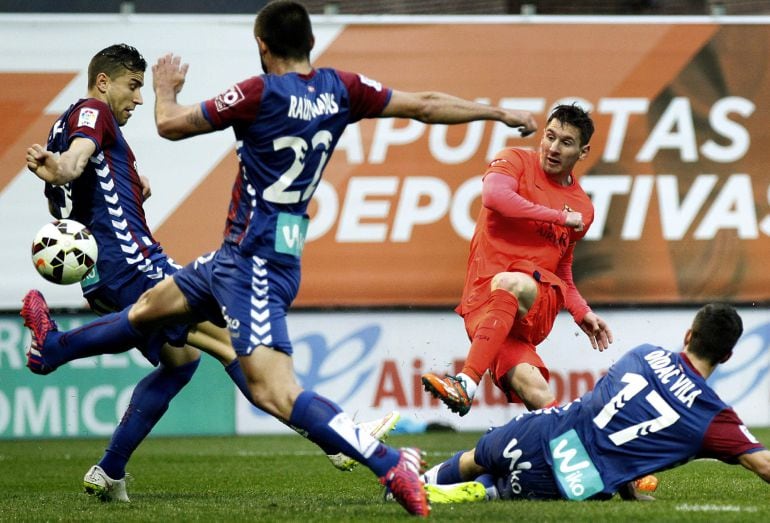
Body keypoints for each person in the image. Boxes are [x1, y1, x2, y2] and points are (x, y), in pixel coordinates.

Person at [20, 1, 537, 517]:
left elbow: (171, 124)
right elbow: (424, 104)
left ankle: (377, 457)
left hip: (256, 263)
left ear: (263, 46)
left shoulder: (257, 92)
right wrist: (497, 113)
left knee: (272, 389)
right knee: (149, 311)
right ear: (309, 42)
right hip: (238, 256)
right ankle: (56, 353)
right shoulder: (341, 87)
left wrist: (164, 90)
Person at [23, 43, 398, 503]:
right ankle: (338, 441)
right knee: (226, 342)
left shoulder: (64, 123)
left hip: (103, 274)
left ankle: (109, 468)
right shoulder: (91, 113)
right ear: (104, 81)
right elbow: (74, 162)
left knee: (181, 364)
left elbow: (69, 195)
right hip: (134, 262)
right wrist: (64, 168)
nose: (138, 99)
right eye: (133, 86)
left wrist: (126, 190)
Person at [420, 303, 770, 503]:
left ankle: (411, 481)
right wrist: (630, 491)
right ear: (726, 356)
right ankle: (477, 494)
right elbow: (764, 466)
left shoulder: (644, 354)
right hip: (572, 478)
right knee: (493, 491)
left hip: (542, 428)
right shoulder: (712, 417)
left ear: (688, 336)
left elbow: (608, 415)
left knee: (475, 458)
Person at [422, 103, 612, 416]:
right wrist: (558, 218)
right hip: (483, 305)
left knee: (510, 281)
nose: (552, 147)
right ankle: (582, 457)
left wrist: (581, 311)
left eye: (565, 142)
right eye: (550, 136)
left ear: (583, 151)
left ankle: (466, 383)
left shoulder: (582, 208)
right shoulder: (514, 160)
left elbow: (562, 269)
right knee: (536, 391)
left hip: (534, 300)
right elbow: (495, 198)